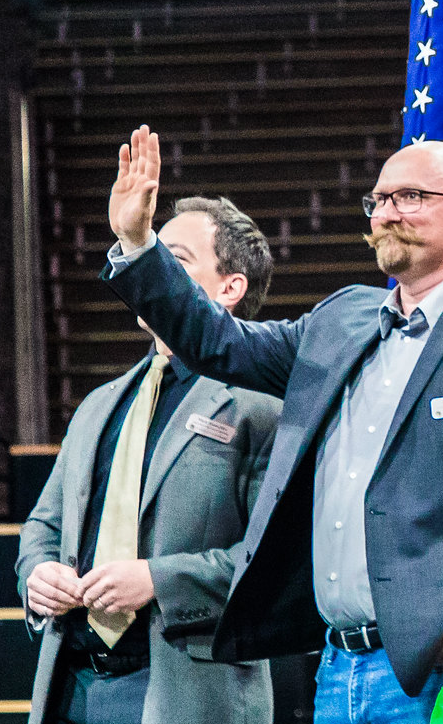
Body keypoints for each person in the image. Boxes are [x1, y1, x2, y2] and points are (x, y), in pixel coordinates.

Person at [100, 129, 443, 724]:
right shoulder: (342, 317)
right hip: (335, 666)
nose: (387, 214)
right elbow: (216, 342)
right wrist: (137, 243)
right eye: (379, 200)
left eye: (409, 197)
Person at [16, 196, 281, 724]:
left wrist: (159, 579)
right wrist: (38, 572)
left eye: (172, 260)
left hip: (190, 691)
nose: (148, 271)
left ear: (230, 288)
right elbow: (44, 523)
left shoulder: (264, 405)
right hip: (73, 684)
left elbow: (274, 564)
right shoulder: (99, 403)